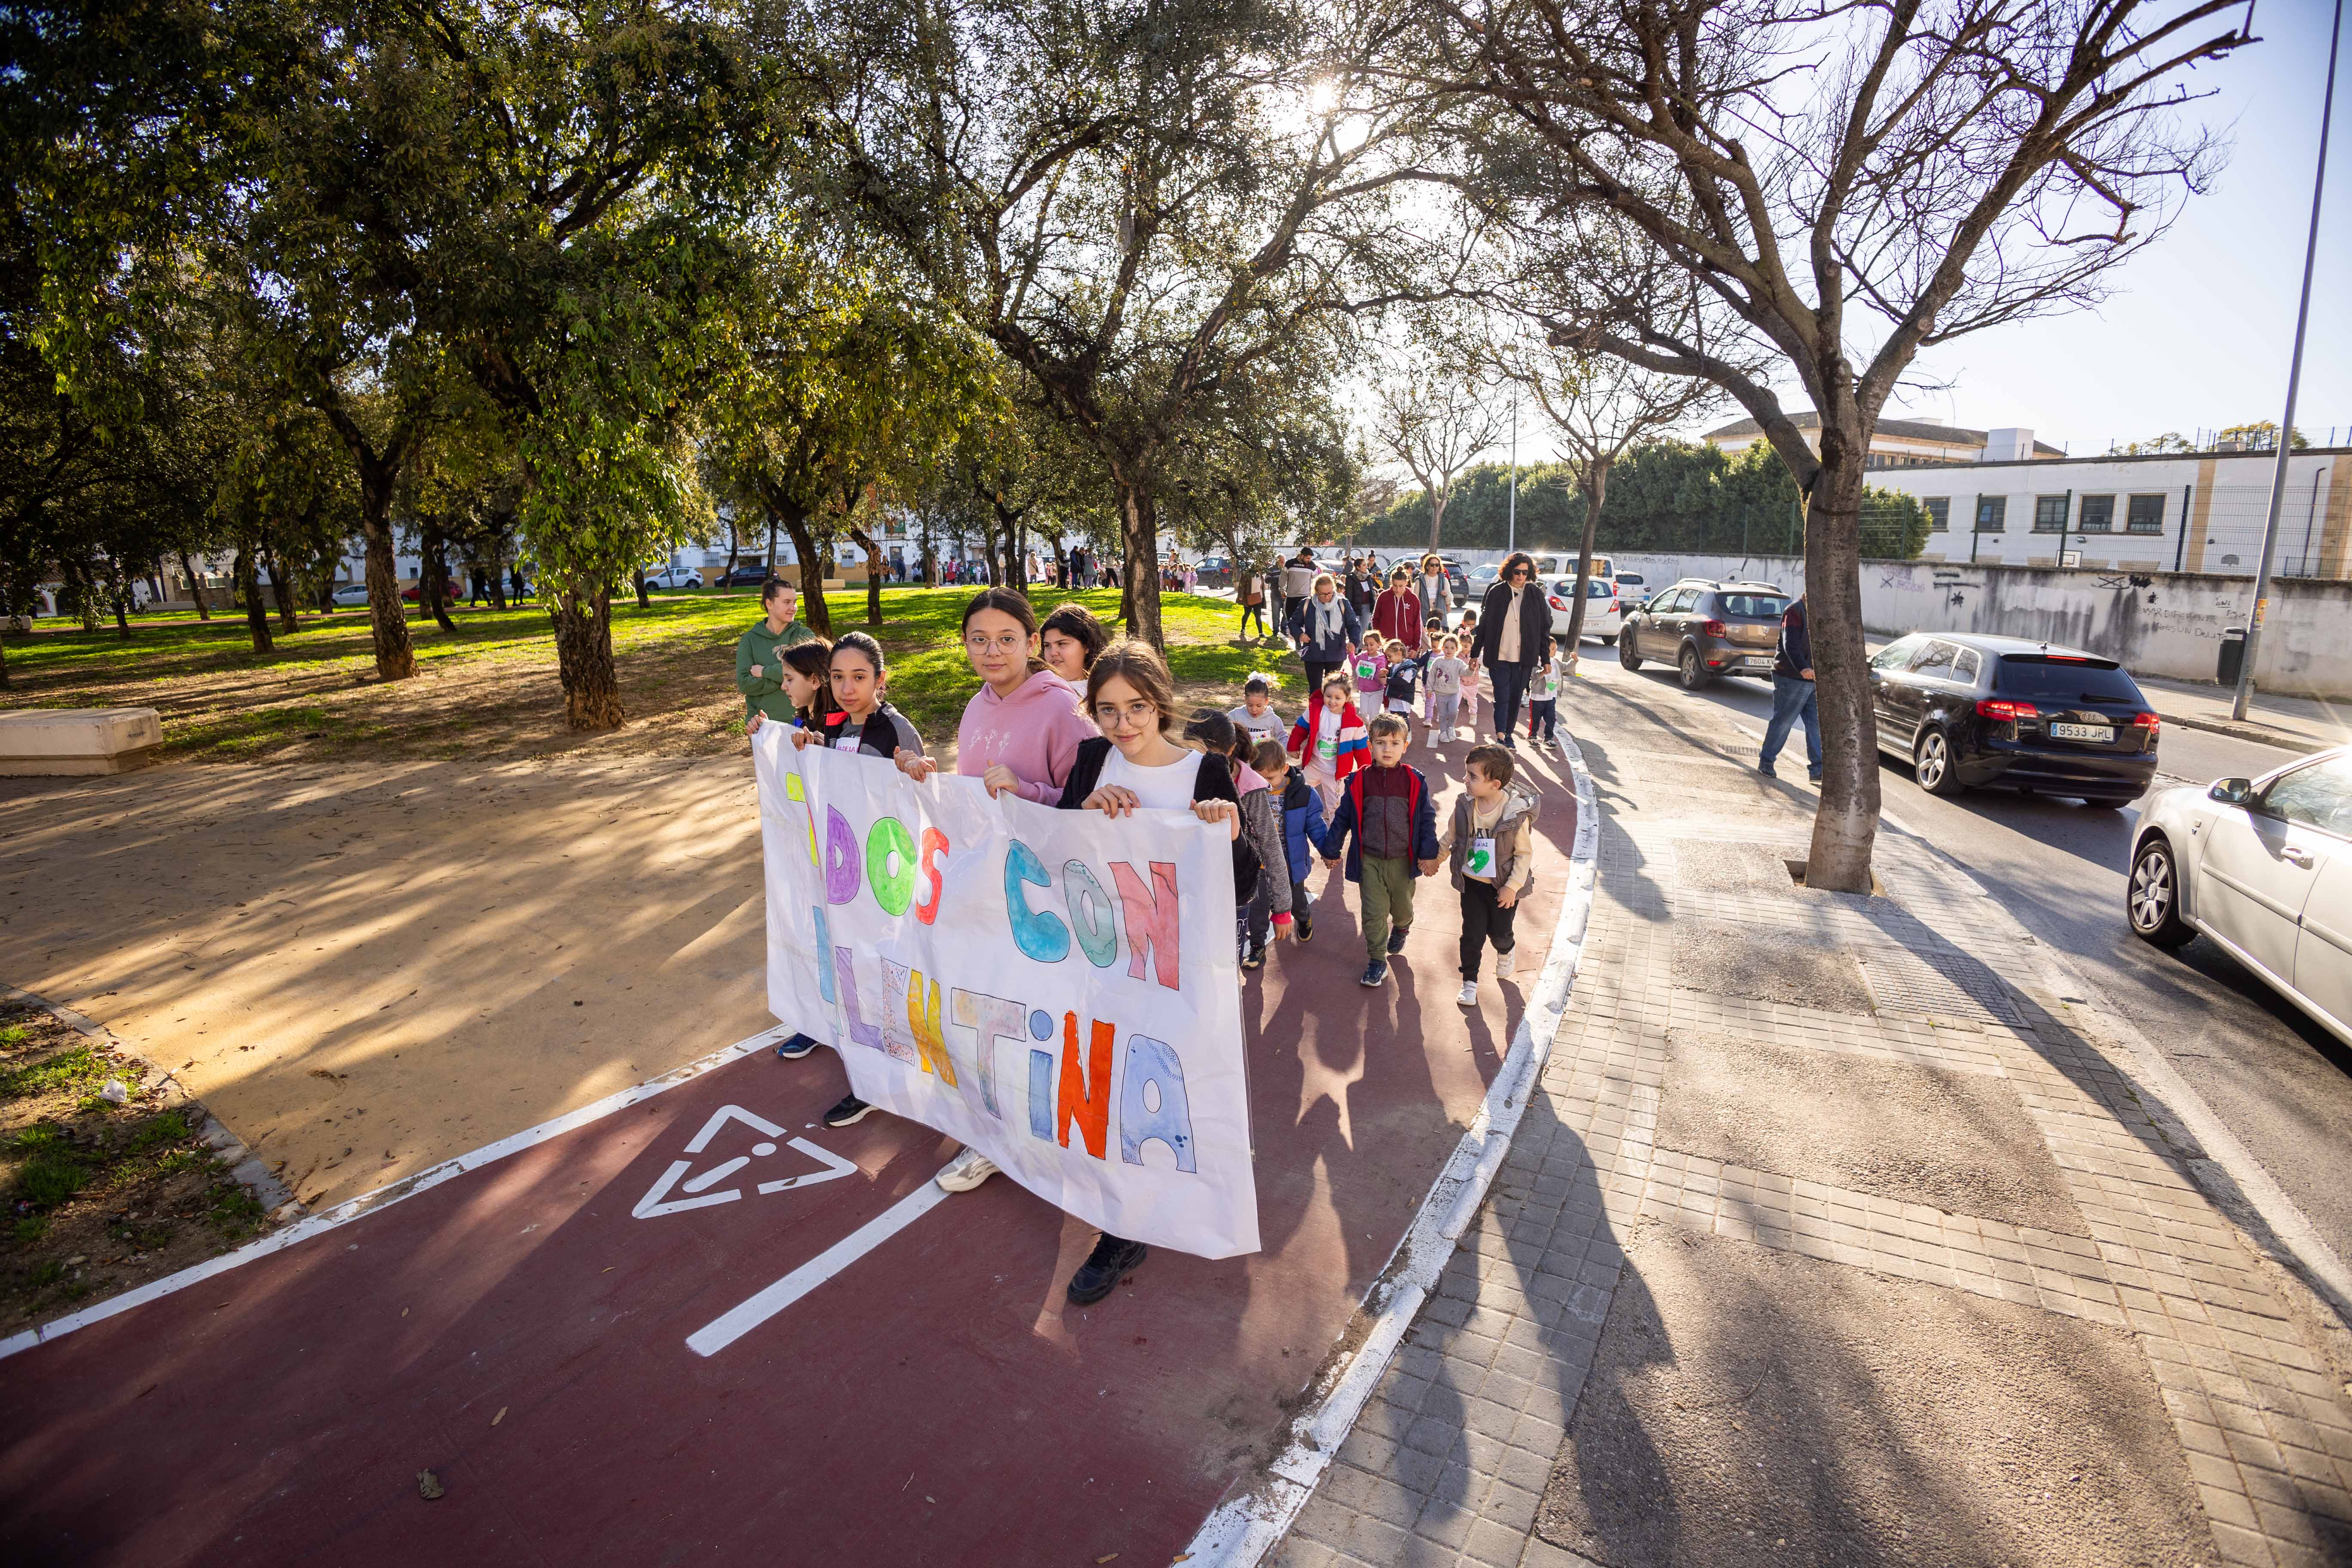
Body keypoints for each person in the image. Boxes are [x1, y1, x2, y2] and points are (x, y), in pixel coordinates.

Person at [1057, 640, 1249, 1306]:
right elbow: (1051, 855)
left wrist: (1226, 834)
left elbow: (1244, 883)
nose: (1123, 724)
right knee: (1106, 1085)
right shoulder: (1089, 762)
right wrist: (1082, 814)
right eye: (1106, 710)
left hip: (1178, 971)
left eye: (1136, 707)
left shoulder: (1205, 773)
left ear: (1160, 704)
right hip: (1101, 965)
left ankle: (1165, 1201)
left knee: (1167, 1092)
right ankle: (1123, 1225)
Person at [897, 589, 1099, 1194]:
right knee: (987, 1017)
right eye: (979, 639)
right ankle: (996, 1135)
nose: (992, 651)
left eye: (1007, 638)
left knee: (1042, 1026)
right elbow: (971, 798)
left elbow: (1083, 805)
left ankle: (1044, 1142)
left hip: (1047, 906)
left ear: (1032, 643)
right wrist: (928, 782)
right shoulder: (974, 707)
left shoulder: (1064, 710)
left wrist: (1028, 790)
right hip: (986, 893)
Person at [782, 631, 929, 1131]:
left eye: (860, 678)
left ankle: (886, 1081)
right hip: (846, 878)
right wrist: (811, 748)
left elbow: (920, 803)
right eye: (839, 677)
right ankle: (869, 1073)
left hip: (886, 879)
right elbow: (836, 782)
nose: (847, 688)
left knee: (883, 973)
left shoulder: (895, 729)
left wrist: (912, 769)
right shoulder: (836, 724)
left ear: (881, 680)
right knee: (853, 971)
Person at [1320, 712, 1440, 987]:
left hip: (1402, 860)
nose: (1387, 749)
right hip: (1369, 860)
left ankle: (1402, 926)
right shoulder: (1358, 781)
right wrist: (1331, 850)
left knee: (1402, 907)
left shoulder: (1414, 781)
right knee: (1373, 912)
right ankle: (1376, 960)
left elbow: (1426, 819)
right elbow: (1342, 818)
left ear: (1405, 746)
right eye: (1381, 742)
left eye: (1394, 743)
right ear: (1370, 745)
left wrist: (1429, 854)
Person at [1184, 710, 1291, 969]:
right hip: (1193, 890)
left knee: (1227, 965)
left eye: (1209, 756)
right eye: (1192, 754)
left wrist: (1283, 908)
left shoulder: (1249, 789)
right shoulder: (1183, 776)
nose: (1201, 764)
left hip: (1236, 890)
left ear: (1231, 750)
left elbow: (1270, 844)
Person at [1438, 744, 1539, 1007]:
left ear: (1494, 784)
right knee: (1472, 933)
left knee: (1499, 932)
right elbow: (1452, 836)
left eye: (1473, 777)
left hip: (1502, 887)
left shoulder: (1515, 816)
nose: (1465, 780)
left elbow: (1523, 855)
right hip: (1472, 882)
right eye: (1467, 774)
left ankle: (1506, 950)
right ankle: (1469, 981)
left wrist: (1512, 887)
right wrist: (1435, 859)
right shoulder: (1466, 805)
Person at [1469, 552, 1553, 750]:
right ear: (1509, 571)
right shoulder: (1497, 592)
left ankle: (1509, 734)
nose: (1521, 576)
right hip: (1499, 657)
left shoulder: (1535, 594)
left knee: (1515, 698)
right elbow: (1485, 624)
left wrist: (1546, 658)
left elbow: (1544, 629)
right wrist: (1475, 652)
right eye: (1517, 571)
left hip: (1524, 659)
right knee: (1502, 697)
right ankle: (1500, 736)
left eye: (1525, 572)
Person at [1252, 739, 1328, 944]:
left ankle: (1304, 918)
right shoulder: (1252, 793)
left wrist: (1328, 851)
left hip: (1290, 864)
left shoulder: (1303, 794)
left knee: (1295, 903)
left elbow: (1316, 826)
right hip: (1259, 864)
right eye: (1257, 778)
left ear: (1285, 769)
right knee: (1257, 908)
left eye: (1269, 778)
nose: (1263, 784)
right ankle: (1257, 947)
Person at [735, 576, 818, 731]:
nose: (793, 607)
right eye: (787, 602)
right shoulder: (750, 641)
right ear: (770, 604)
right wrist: (790, 679)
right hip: (762, 725)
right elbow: (745, 683)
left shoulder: (804, 636)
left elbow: (810, 674)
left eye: (795, 602)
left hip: (802, 723)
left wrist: (765, 672)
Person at [1758, 593, 1822, 782]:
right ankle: (1766, 762)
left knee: (1816, 726)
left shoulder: (1818, 613)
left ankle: (1817, 770)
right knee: (1784, 722)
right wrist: (1803, 668)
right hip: (1791, 677)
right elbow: (1790, 644)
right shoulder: (1794, 611)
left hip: (1812, 681)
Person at [1286, 671, 1366, 817]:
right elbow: (1301, 728)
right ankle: (1295, 824)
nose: (1332, 701)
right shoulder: (1315, 710)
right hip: (1314, 765)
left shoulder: (1355, 722)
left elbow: (1361, 749)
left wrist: (1366, 770)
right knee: (1297, 793)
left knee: (1336, 807)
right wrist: (1293, 746)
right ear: (1323, 693)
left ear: (1347, 698)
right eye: (1328, 696)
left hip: (1336, 773)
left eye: (1338, 698)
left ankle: (1335, 837)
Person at [1286, 572, 1361, 693]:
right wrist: (1300, 634)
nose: (1327, 597)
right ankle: (1315, 712)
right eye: (1323, 594)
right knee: (1315, 690)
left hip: (1336, 653)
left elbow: (1353, 625)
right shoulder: (1307, 604)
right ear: (1316, 591)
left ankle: (1329, 712)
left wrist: (1354, 641)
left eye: (1330, 593)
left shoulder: (1342, 603)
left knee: (1332, 690)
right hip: (1313, 653)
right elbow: (1293, 623)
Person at [1040, 602, 1110, 687]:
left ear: (1087, 645)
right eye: (1047, 646)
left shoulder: (1107, 687)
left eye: (1062, 644)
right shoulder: (1038, 688)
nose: (1053, 653)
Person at [1424, 634, 1468, 745]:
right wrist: (1429, 689)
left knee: (1453, 712)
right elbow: (1432, 676)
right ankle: (1443, 732)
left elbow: (1465, 672)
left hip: (1453, 694)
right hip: (1440, 694)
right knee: (1442, 714)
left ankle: (1450, 727)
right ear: (1442, 647)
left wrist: (1471, 669)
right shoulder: (1438, 661)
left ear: (1457, 649)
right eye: (1447, 647)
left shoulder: (1458, 663)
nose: (1449, 650)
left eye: (1452, 648)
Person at [1370, 565, 1426, 653]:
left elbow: (1418, 624)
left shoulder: (1413, 599)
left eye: (1401, 586)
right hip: (1386, 644)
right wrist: (1378, 640)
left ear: (1406, 583)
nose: (1398, 589)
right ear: (1391, 583)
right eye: (1395, 586)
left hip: (1406, 645)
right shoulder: (1384, 597)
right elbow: (1375, 619)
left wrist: (1415, 647)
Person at [1525, 640, 1566, 754]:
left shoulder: (1555, 662)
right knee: (1536, 719)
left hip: (1551, 696)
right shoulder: (1536, 662)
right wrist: (1543, 672)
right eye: (1553, 649)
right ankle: (1532, 736)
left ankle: (1549, 738)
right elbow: (1535, 676)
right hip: (1538, 697)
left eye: (1556, 648)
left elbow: (1565, 667)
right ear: (1544, 651)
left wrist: (1574, 661)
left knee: (1551, 718)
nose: (1555, 651)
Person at [1228, 675, 1287, 747]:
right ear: (1245, 699)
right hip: (1240, 757)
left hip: (1263, 757)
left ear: (1266, 701)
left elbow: (1283, 738)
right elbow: (1224, 730)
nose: (1254, 710)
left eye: (1259, 706)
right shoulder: (1235, 716)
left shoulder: (1274, 721)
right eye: (1250, 705)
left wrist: (1290, 748)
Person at [1381, 639, 1422, 729]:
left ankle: (1407, 735)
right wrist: (1387, 673)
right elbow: (1395, 677)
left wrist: (1388, 680)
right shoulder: (1393, 666)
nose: (1388, 659)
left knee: (1403, 719)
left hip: (1404, 698)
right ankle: (1397, 737)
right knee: (1394, 719)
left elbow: (1404, 681)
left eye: (1390, 656)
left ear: (1399, 654)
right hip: (1394, 697)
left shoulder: (1410, 666)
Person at [1280, 547, 1318, 627]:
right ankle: (1294, 636)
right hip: (1291, 597)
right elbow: (1283, 577)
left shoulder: (1312, 566)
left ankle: (1301, 637)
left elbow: (1316, 580)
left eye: (1310, 558)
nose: (1309, 560)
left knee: (1304, 621)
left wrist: (1315, 594)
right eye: (1308, 558)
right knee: (1290, 618)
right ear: (1302, 556)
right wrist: (1282, 590)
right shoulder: (1290, 563)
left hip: (1305, 597)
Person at [1417, 552, 1452, 629]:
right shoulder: (1420, 580)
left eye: (1437, 565)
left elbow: (1450, 598)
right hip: (1424, 615)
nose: (1435, 567)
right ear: (1427, 566)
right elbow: (1415, 599)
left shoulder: (1444, 580)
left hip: (1440, 616)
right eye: (1432, 565)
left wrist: (1446, 595)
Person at [1236, 564, 1270, 640]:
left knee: (1258, 616)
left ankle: (1261, 633)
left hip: (1258, 598)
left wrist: (1262, 596)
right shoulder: (1247, 575)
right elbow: (1242, 586)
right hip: (1248, 598)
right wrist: (1241, 596)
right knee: (1247, 614)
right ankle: (1243, 629)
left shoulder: (1260, 575)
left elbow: (1262, 587)